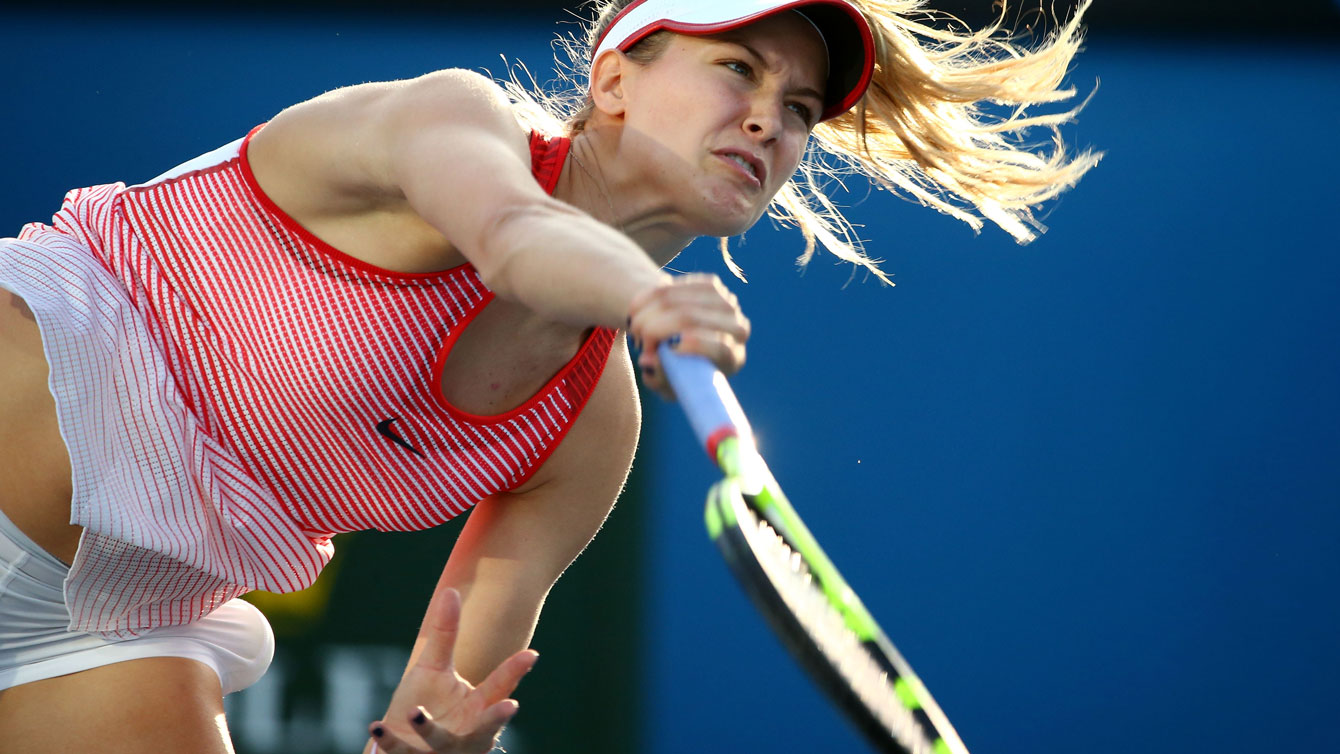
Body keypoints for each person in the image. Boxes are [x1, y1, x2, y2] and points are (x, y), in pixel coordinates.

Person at [0, 0, 1099, 751]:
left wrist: (435, 739)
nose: (769, 117)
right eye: (736, 67)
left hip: (103, 625)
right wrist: (642, 297)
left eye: (802, 108)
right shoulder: (446, 117)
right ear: (613, 78)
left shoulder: (586, 426)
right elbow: (513, 234)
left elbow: (444, 695)